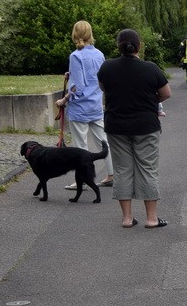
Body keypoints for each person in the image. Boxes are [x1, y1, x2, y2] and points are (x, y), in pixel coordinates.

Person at [97, 28, 172, 228]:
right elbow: (166, 93)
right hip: (146, 125)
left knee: (122, 170)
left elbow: (104, 88)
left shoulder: (107, 67)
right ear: (139, 46)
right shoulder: (151, 68)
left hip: (116, 126)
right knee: (147, 169)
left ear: (118, 46)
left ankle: (127, 218)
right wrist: (151, 100)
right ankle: (151, 218)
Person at [55, 20, 113, 189]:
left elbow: (77, 86)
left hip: (79, 107)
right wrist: (71, 74)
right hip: (95, 104)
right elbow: (97, 78)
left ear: (75, 34)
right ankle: (111, 174)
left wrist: (64, 100)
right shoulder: (99, 54)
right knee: (104, 141)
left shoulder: (75, 56)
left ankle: (83, 180)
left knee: (81, 147)